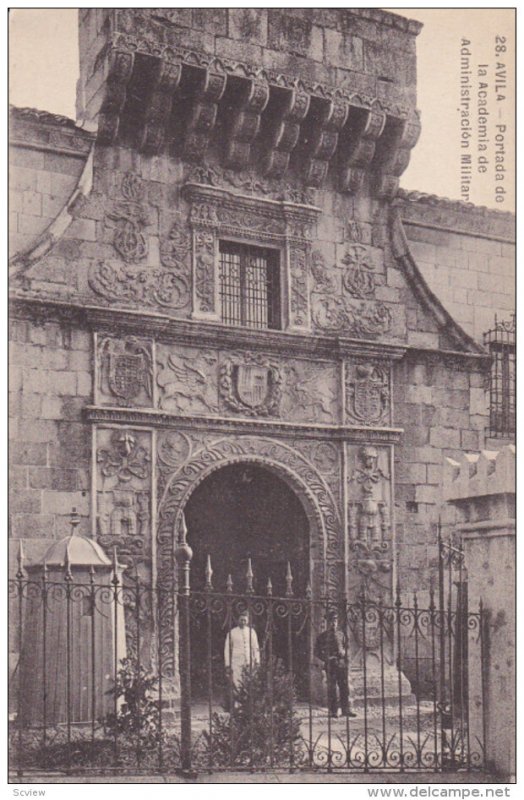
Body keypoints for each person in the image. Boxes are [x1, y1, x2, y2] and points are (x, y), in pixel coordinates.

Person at [314, 609, 357, 718]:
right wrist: (326, 658)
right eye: (331, 621)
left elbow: (347, 647)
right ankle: (333, 711)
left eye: (335, 621)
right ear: (327, 622)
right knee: (332, 689)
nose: (334, 623)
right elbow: (316, 652)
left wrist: (345, 653)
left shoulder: (341, 634)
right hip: (331, 665)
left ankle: (345, 710)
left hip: (342, 664)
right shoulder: (322, 637)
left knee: (344, 687)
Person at [224, 611, 260, 690]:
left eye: (245, 620)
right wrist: (227, 664)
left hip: (249, 661)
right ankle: (238, 701)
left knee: (249, 681)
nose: (243, 622)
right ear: (238, 620)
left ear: (248, 621)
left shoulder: (252, 632)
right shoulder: (232, 632)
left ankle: (247, 701)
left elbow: (255, 647)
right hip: (236, 661)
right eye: (241, 620)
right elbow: (227, 649)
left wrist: (257, 660)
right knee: (237, 681)